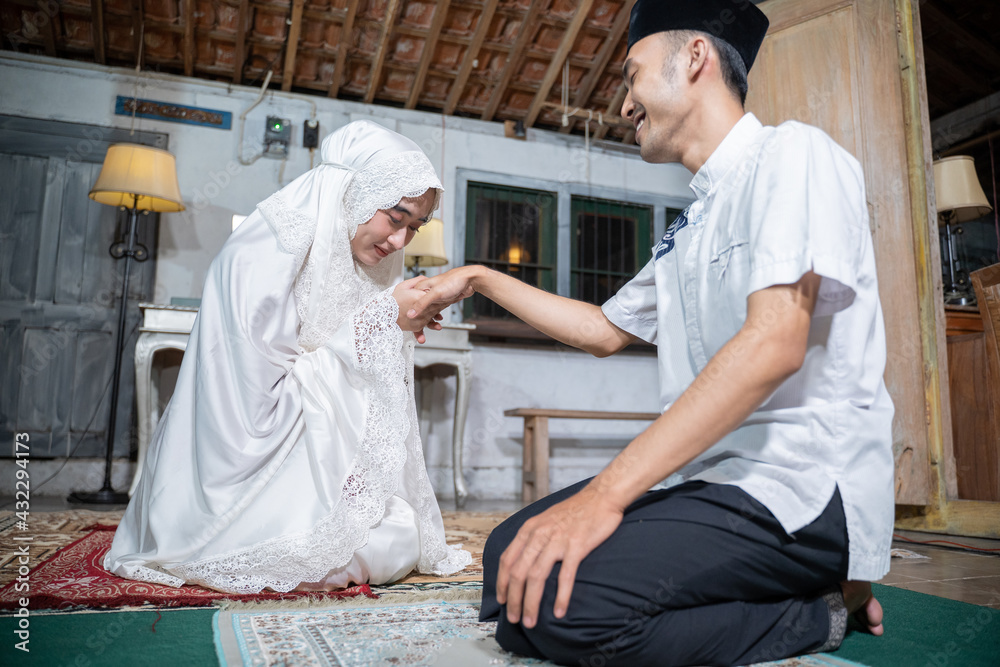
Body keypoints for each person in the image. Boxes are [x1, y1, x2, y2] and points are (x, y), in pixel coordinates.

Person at [405, 1, 893, 664]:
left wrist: (606, 494)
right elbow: (604, 328)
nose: (626, 105)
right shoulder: (688, 229)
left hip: (801, 489)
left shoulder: (794, 155)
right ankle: (788, 587)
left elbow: (774, 341)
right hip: (718, 483)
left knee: (562, 605)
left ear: (695, 58)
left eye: (632, 76)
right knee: (509, 556)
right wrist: (477, 278)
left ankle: (816, 610)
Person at [105, 120, 471, 594]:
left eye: (414, 229)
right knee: (322, 556)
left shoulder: (372, 256)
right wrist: (377, 325)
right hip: (246, 466)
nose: (400, 241)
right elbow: (247, 406)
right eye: (395, 218)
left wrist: (393, 325)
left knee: (401, 533)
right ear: (352, 192)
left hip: (321, 451)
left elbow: (359, 368)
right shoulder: (267, 246)